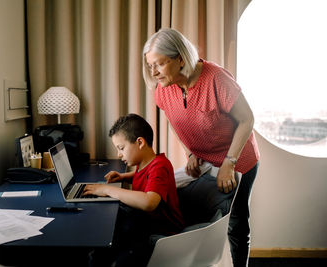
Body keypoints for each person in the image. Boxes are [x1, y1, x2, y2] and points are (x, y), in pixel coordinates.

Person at [142, 28, 260, 267]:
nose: (153, 73)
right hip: (206, 159)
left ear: (181, 59)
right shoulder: (164, 89)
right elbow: (177, 121)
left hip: (238, 158)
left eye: (159, 64)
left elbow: (247, 119)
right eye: (149, 66)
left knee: (236, 222)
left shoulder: (216, 78)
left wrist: (229, 163)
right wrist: (191, 153)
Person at [84, 113, 184, 267]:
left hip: (162, 233)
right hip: (145, 224)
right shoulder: (146, 163)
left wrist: (107, 190)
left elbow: (149, 202)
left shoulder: (160, 166)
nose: (118, 154)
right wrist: (124, 177)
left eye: (121, 148)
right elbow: (144, 177)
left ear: (140, 142)